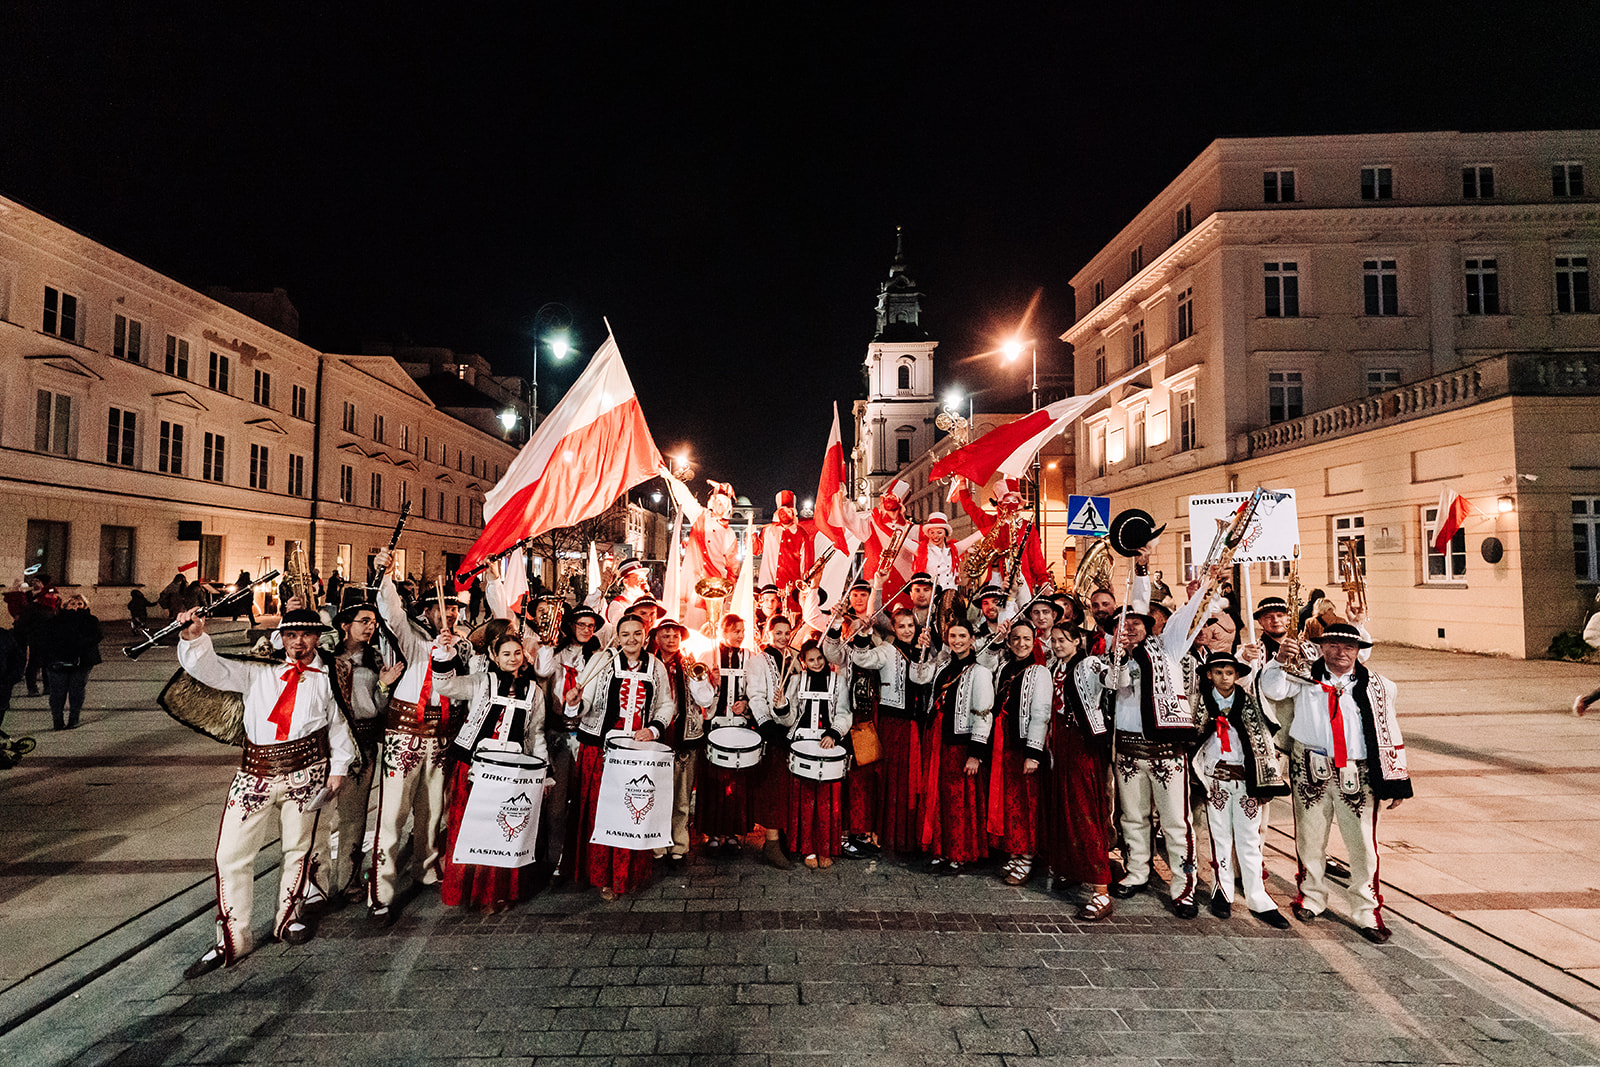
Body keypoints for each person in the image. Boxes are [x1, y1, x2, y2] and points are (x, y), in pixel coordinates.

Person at [176, 607, 356, 978]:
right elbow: (211, 670)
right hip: (255, 773)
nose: (298, 642)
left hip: (307, 772)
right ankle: (232, 938)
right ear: (282, 637)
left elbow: (338, 722)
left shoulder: (330, 675)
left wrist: (338, 769)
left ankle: (289, 918)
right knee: (231, 854)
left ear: (317, 637)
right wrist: (195, 637)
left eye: (306, 635)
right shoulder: (257, 669)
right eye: (291, 635)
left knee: (298, 848)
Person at [1261, 622, 1411, 943]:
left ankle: (1366, 909)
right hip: (1309, 767)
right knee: (1310, 838)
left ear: (1358, 651)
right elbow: (1272, 689)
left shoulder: (1380, 686)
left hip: (1358, 772)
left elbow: (1390, 730)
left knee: (1363, 844)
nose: (1340, 652)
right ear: (1322, 648)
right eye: (1332, 645)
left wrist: (1396, 779)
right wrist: (1278, 660)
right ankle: (1311, 897)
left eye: (1348, 647)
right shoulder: (1303, 676)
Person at [367, 551, 473, 925]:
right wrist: (385, 576)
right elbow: (392, 612)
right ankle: (380, 890)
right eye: (441, 609)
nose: (449, 615)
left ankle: (425, 868)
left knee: (432, 811)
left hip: (442, 734)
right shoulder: (411, 640)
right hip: (406, 732)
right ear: (426, 612)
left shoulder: (461, 645)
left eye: (454, 610)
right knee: (393, 813)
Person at [434, 631, 552, 912]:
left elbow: (536, 734)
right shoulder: (481, 682)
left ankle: (495, 893)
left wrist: (544, 774)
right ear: (495, 657)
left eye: (517, 653)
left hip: (511, 773)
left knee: (501, 831)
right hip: (474, 768)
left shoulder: (534, 691)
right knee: (471, 828)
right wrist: (443, 653)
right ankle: (467, 891)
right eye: (506, 654)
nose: (512, 658)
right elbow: (445, 686)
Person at [568, 615, 676, 900]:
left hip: (638, 752)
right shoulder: (601, 660)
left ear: (645, 636)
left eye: (637, 633)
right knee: (602, 812)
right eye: (625, 634)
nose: (631, 639)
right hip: (601, 750)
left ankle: (629, 874)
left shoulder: (656, 665)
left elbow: (666, 703)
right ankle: (603, 877)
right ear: (617, 637)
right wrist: (575, 702)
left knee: (632, 811)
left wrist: (654, 729)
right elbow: (586, 700)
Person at [1191, 652, 1291, 928]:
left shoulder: (1250, 704)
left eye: (1229, 673)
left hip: (1246, 781)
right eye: (1218, 672)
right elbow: (1193, 739)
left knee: (1249, 838)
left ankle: (1257, 895)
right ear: (1209, 675)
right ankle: (1222, 890)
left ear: (1237, 675)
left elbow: (1264, 742)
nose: (1224, 678)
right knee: (1219, 837)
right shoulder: (1200, 704)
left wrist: (1266, 780)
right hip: (1216, 780)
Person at [322, 604, 402, 902]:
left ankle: (348, 881)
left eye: (373, 622)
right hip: (326, 742)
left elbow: (379, 706)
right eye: (364, 621)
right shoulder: (325, 655)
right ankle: (313, 885)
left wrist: (383, 685)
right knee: (316, 819)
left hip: (363, 741)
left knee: (353, 817)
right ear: (345, 625)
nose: (370, 627)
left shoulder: (376, 658)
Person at [695, 614, 788, 867]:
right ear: (723, 631)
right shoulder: (709, 654)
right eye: (735, 630)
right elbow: (700, 693)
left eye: (742, 631)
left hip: (740, 725)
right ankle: (713, 833)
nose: (740, 635)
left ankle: (733, 833)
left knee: (736, 783)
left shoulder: (750, 656)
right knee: (714, 783)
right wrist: (711, 683)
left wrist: (745, 704)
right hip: (715, 724)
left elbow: (753, 688)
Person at [838, 608, 929, 854]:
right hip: (892, 724)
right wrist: (864, 634)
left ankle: (907, 838)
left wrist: (925, 651)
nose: (907, 630)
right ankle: (887, 837)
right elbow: (862, 659)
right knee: (891, 781)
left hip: (915, 725)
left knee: (910, 782)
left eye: (910, 626)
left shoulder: (923, 650)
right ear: (893, 629)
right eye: (902, 626)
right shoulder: (888, 650)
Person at [1040, 624, 1115, 921]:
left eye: (1063, 640)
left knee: (1085, 811)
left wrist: (1118, 660)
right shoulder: (1054, 667)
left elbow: (1112, 680)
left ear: (1076, 641)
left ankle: (1101, 890)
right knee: (1064, 807)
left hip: (1082, 742)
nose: (1058, 644)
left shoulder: (1089, 663)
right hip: (1060, 740)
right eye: (1054, 640)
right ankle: (1072, 869)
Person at [976, 621, 1051, 885]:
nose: (1021, 643)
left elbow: (1041, 713)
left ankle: (1026, 855)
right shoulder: (1004, 667)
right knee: (1007, 800)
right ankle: (1013, 850)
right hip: (1001, 741)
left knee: (1026, 802)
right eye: (1016, 638)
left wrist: (1033, 753)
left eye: (1026, 638)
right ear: (1009, 642)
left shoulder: (1040, 672)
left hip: (1023, 744)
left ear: (1034, 641)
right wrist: (997, 637)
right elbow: (981, 661)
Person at [915, 618, 993, 875]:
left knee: (958, 800)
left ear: (972, 639)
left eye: (962, 636)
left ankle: (958, 853)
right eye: (953, 636)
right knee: (938, 796)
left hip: (960, 744)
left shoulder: (980, 672)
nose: (957, 641)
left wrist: (975, 754)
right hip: (937, 739)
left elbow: (984, 714)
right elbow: (919, 677)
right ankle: (940, 849)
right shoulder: (942, 667)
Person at [530, 608, 602, 878]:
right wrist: (548, 644)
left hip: (585, 734)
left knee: (585, 799)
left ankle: (582, 858)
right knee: (557, 804)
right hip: (557, 732)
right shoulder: (556, 654)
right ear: (570, 625)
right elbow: (542, 670)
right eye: (581, 624)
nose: (586, 630)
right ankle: (554, 858)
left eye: (591, 626)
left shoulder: (598, 657)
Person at [648, 618, 715, 864]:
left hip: (684, 735)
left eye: (675, 636)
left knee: (681, 796)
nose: (671, 640)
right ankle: (656, 843)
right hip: (657, 736)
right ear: (656, 639)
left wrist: (700, 680)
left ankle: (679, 843)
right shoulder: (649, 664)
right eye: (666, 635)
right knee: (655, 793)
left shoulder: (689, 663)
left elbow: (706, 700)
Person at [779, 639, 851, 868]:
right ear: (803, 662)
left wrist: (833, 733)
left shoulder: (838, 681)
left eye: (820, 658)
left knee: (827, 802)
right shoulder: (796, 680)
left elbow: (844, 713)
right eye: (811, 660)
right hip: (801, 744)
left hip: (828, 745)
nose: (817, 663)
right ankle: (807, 848)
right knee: (805, 800)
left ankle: (825, 848)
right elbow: (790, 718)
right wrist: (782, 706)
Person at [38, 593, 102, 730]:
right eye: (72, 604)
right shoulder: (55, 621)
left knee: (76, 691)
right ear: (65, 606)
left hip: (81, 661)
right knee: (58, 692)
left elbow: (97, 636)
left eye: (80, 604)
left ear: (85, 606)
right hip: (58, 660)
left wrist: (79, 644)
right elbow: (45, 639)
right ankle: (57, 720)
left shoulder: (90, 620)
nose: (76, 607)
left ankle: (74, 718)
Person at [757, 491, 815, 609]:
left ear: (793, 513)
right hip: (769, 588)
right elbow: (757, 550)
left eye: (788, 511)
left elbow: (806, 564)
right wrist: (752, 538)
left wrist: (803, 587)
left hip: (791, 589)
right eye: (782, 511)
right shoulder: (768, 531)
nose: (784, 514)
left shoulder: (801, 534)